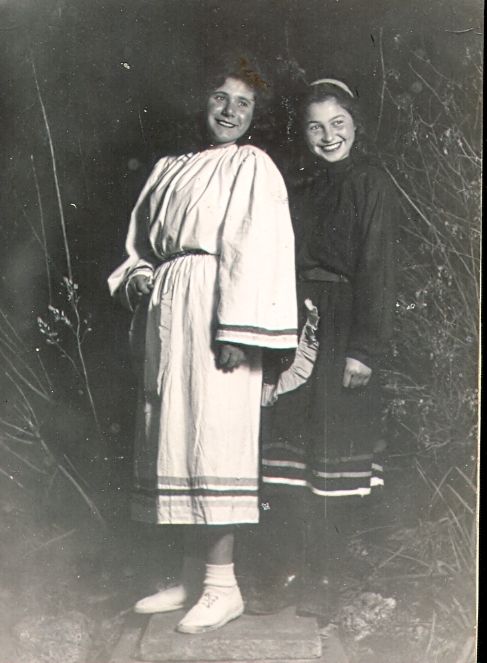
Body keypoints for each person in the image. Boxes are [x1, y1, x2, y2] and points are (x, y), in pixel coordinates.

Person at [108, 58, 298, 634]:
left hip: (220, 310)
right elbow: (139, 245)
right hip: (170, 310)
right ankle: (193, 578)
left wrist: (238, 330)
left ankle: (223, 586)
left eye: (244, 103)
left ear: (256, 115)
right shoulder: (169, 168)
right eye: (220, 97)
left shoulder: (251, 165)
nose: (230, 111)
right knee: (175, 439)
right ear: (201, 101)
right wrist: (139, 276)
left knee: (214, 441)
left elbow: (258, 247)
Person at [248, 78, 398, 620]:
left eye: (338, 123)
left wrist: (364, 348)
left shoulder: (370, 183)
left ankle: (325, 578)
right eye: (316, 126)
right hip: (291, 323)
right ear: (303, 132)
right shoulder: (297, 186)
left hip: (342, 325)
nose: (328, 135)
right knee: (287, 453)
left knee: (333, 454)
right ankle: (285, 572)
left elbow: (378, 268)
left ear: (356, 125)